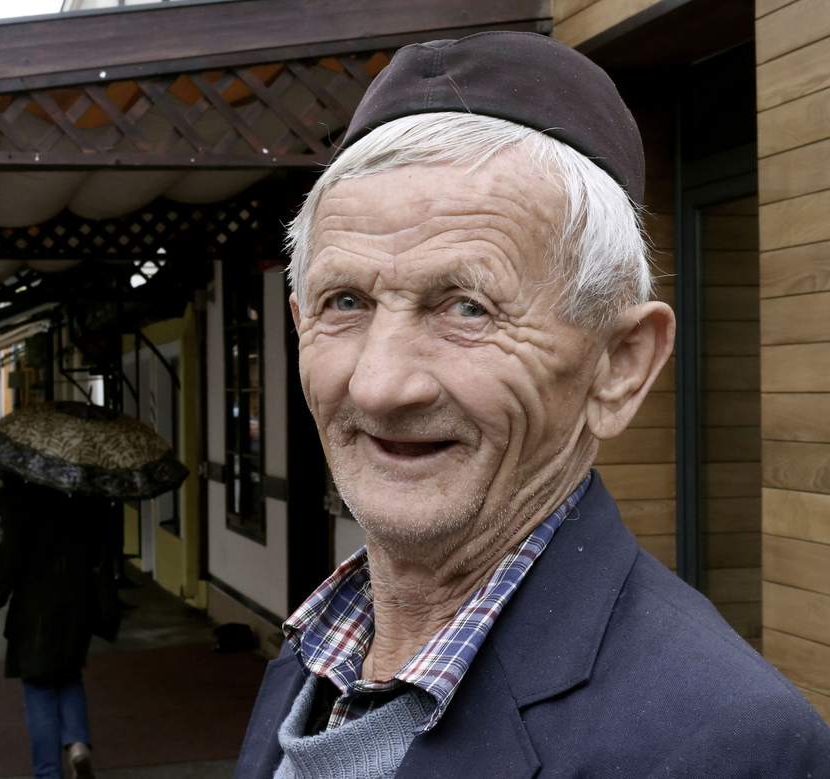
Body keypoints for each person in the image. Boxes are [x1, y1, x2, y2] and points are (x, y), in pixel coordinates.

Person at [235, 33, 830, 779]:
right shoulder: (317, 651)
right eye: (345, 301)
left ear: (620, 365)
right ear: (299, 326)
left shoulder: (724, 744)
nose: (379, 385)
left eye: (468, 308)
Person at [0, 479, 109, 779]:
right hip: (76, 603)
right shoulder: (84, 496)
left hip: (36, 610)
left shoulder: (24, 499)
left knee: (39, 689)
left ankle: (48, 773)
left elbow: (7, 563)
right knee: (69, 675)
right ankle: (76, 744)